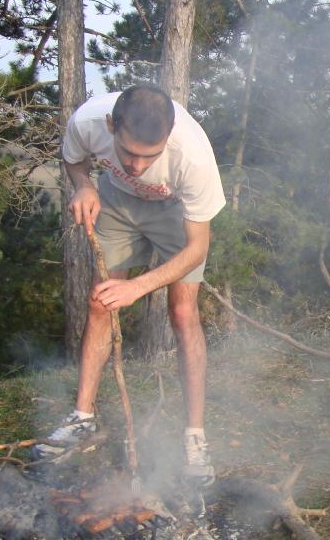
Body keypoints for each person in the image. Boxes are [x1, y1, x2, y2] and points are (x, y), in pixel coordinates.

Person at [34, 85, 226, 487]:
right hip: (117, 203)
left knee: (183, 312)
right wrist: (84, 185)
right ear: (111, 126)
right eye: (128, 153)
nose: (137, 165)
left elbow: (197, 249)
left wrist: (139, 287)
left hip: (175, 212)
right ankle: (82, 418)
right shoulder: (88, 121)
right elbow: (74, 160)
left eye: (149, 156)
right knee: (100, 303)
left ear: (168, 137)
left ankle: (195, 437)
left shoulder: (193, 156)